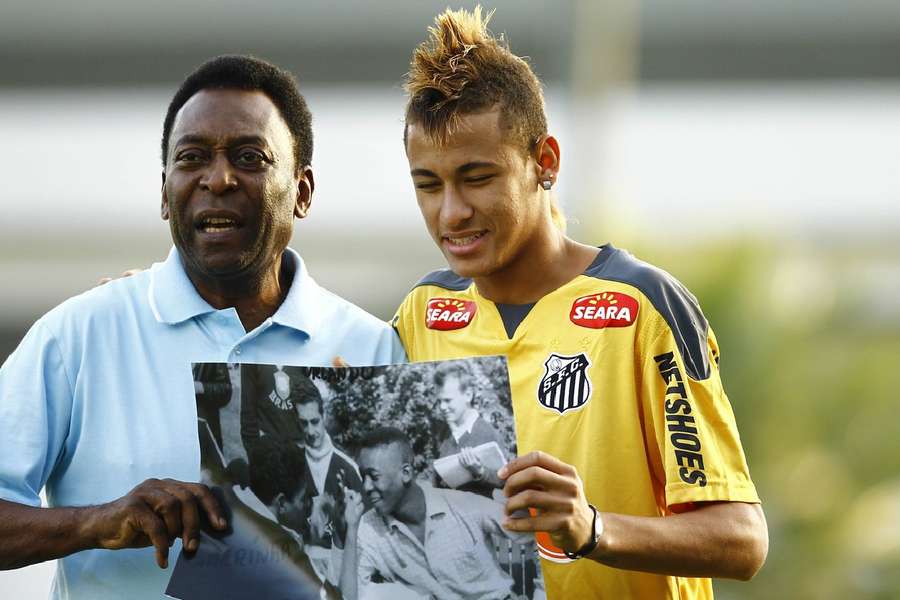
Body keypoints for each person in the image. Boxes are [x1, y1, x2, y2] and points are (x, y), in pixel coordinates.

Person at [391, 7, 768, 599]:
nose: (452, 212)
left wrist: (591, 528)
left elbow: (742, 540)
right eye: (429, 185)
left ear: (545, 163)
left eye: (477, 177)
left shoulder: (641, 308)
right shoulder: (422, 313)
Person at [0, 55, 403, 600]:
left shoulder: (372, 346)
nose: (218, 178)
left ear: (303, 192)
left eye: (249, 157)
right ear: (165, 193)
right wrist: (97, 523)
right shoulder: (77, 336)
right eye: (191, 158)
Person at [339, 427, 524, 600]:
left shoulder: (462, 505)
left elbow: (541, 533)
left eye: (374, 476)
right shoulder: (369, 528)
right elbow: (348, 597)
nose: (366, 486)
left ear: (405, 473)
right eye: (363, 477)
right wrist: (351, 529)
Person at [432, 361, 505, 497]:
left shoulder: (487, 434)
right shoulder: (444, 434)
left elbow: (505, 480)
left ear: (468, 395)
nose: (442, 407)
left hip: (478, 514)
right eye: (439, 401)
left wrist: (480, 472)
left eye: (448, 400)